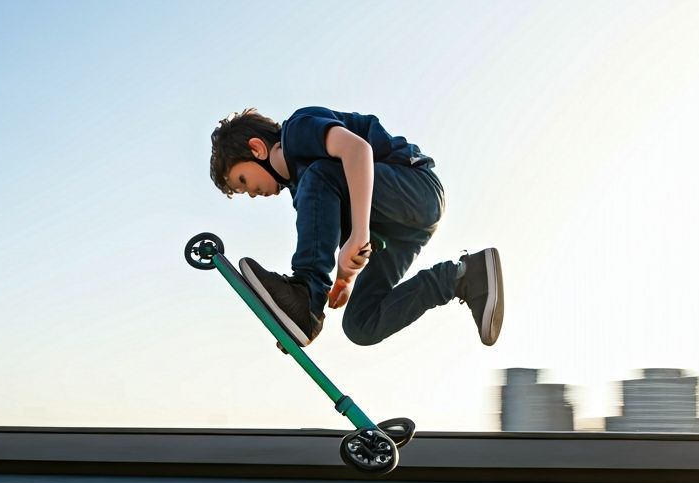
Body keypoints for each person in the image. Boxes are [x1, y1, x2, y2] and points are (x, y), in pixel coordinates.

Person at [209, 106, 503, 348]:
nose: (251, 194)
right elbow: (334, 235)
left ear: (257, 148)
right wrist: (344, 279)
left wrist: (359, 233)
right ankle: (463, 277)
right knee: (361, 324)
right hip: (400, 232)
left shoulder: (297, 131)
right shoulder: (306, 190)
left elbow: (357, 150)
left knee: (320, 175)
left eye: (243, 182)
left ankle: (306, 300)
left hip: (416, 190)